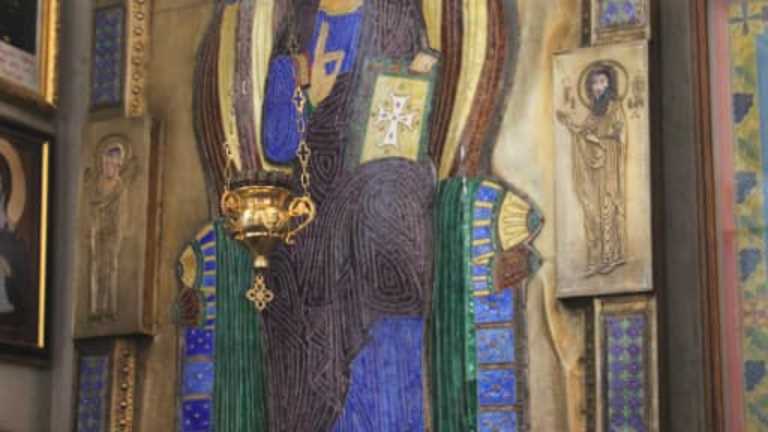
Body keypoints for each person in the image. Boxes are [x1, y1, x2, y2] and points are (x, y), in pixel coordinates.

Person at [557, 64, 627, 277]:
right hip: (594, 167)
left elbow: (618, 135)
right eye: (595, 83)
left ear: (609, 84)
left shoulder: (615, 107)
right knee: (592, 210)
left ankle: (612, 256)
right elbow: (583, 132)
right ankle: (595, 258)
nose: (598, 87)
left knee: (607, 208)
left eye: (602, 82)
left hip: (610, 163)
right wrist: (570, 125)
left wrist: (597, 140)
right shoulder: (593, 112)